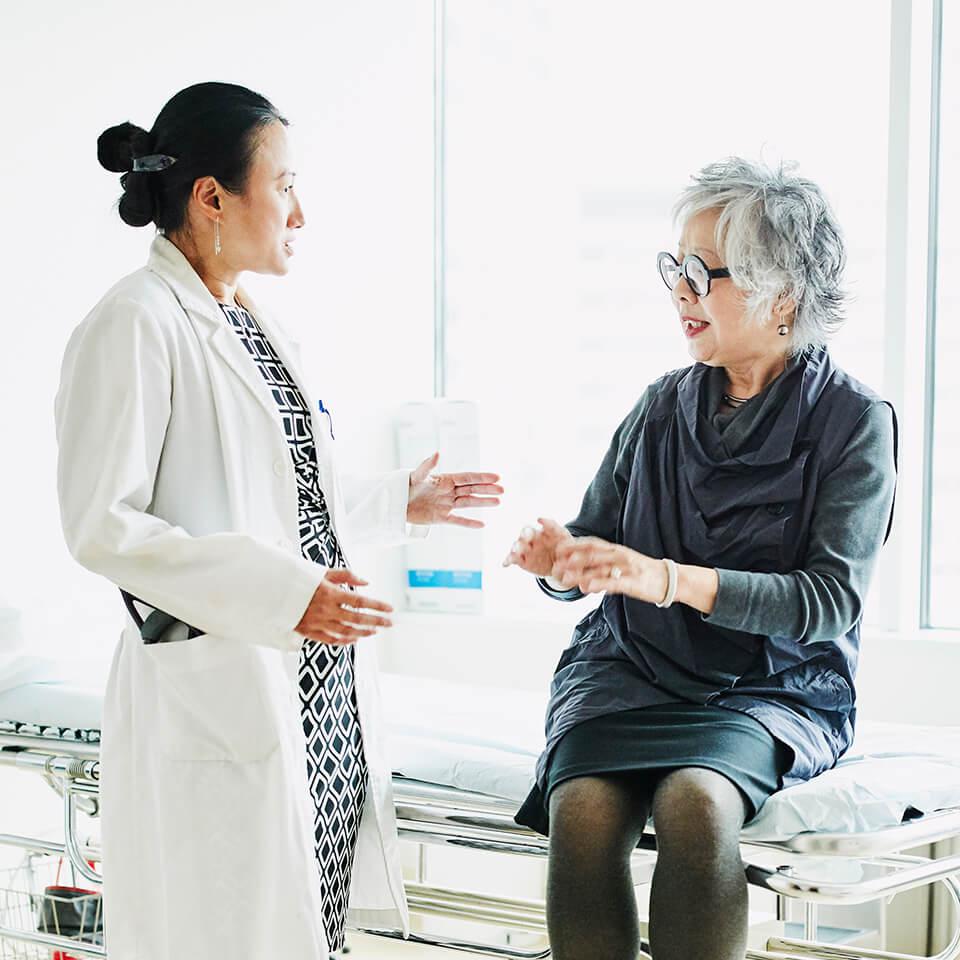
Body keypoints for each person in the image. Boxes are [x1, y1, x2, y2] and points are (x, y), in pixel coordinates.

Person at [55, 81, 503, 960]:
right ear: (211, 197)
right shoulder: (135, 323)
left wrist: (394, 504)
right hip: (223, 682)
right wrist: (284, 595)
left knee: (313, 927)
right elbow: (102, 526)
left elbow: (286, 491)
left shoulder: (254, 324)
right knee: (227, 932)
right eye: (286, 182)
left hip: (318, 691)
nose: (302, 209)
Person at [503, 157, 897, 960]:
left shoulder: (853, 423)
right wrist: (558, 562)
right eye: (672, 268)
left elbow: (829, 600)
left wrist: (668, 579)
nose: (679, 291)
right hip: (629, 666)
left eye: (701, 271)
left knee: (696, 803)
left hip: (770, 684)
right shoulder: (661, 406)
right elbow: (593, 543)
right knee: (580, 809)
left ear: (780, 292)